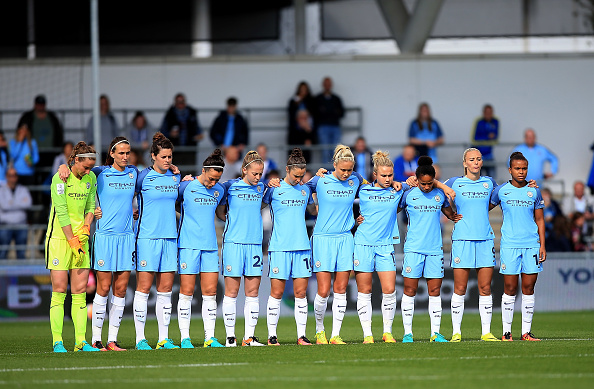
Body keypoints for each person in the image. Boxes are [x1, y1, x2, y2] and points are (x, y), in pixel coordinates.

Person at [58, 137, 138, 351]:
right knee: (102, 288)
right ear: (111, 153)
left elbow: (155, 180)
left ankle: (112, 340)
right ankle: (96, 340)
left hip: (126, 237)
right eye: (121, 153)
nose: (125, 156)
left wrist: (179, 173)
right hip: (104, 237)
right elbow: (78, 168)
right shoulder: (99, 173)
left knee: (120, 290)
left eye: (127, 152)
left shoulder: (135, 173)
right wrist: (62, 166)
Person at [305, 145, 376, 345]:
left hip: (346, 238)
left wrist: (401, 184)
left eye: (349, 170)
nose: (346, 174)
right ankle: (320, 332)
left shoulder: (356, 179)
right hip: (323, 239)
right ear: (334, 165)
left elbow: (374, 188)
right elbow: (298, 187)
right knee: (323, 290)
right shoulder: (320, 179)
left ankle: (335, 335)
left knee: (342, 288)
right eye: (342, 169)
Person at [443, 148, 501, 342]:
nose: (475, 162)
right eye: (471, 160)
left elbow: (500, 196)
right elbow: (436, 192)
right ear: (464, 163)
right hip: (462, 240)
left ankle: (486, 332)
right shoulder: (453, 183)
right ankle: (456, 332)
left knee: (485, 288)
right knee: (460, 287)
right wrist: (450, 214)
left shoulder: (489, 183)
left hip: (484, 240)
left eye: (478, 159)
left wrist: (530, 184)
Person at [45, 141, 98, 353]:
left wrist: (86, 227)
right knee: (59, 290)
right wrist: (71, 240)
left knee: (79, 293)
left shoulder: (91, 178)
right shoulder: (60, 178)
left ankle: (80, 342)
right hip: (60, 240)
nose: (88, 171)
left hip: (81, 241)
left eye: (91, 168)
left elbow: (91, 206)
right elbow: (62, 211)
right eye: (85, 167)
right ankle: (58, 341)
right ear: (76, 161)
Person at [399, 156, 458, 343]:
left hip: (434, 249)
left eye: (429, 183)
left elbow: (451, 214)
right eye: (423, 183)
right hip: (413, 248)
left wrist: (454, 209)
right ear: (416, 180)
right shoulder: (408, 194)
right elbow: (392, 209)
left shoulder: (439, 195)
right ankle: (408, 333)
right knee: (409, 290)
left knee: (435, 291)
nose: (426, 187)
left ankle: (435, 333)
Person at [263, 148, 318, 346]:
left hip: (302, 246)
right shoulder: (273, 189)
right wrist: (267, 182)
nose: (299, 179)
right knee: (276, 293)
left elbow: (315, 206)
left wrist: (319, 174)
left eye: (302, 175)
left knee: (301, 294)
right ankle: (272, 336)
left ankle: (302, 336)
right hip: (279, 248)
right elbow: (254, 203)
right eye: (296, 175)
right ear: (287, 170)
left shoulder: (306, 189)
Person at [353, 151, 409, 343]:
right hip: (363, 243)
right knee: (364, 291)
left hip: (385, 246)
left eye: (390, 175)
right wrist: (354, 220)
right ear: (375, 174)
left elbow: (422, 180)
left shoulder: (397, 190)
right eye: (383, 175)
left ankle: (387, 332)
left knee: (389, 289)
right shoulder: (363, 189)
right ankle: (367, 334)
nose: (387, 179)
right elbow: (344, 182)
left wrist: (399, 182)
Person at [490, 151, 546, 341]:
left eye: (524, 168)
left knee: (529, 287)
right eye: (517, 168)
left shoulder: (534, 191)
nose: (521, 172)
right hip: (510, 245)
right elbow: (484, 207)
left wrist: (542, 245)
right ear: (510, 169)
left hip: (531, 244)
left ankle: (526, 332)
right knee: (510, 287)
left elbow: (540, 219)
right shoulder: (501, 191)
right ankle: (507, 332)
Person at [133, 133, 181, 350]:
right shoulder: (142, 177)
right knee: (143, 288)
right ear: (153, 156)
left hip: (170, 238)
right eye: (163, 156)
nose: (168, 160)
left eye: (170, 156)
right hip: (147, 238)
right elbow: (123, 196)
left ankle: (163, 339)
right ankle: (140, 339)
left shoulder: (175, 178)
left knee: (165, 290)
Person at [175, 149, 227, 349]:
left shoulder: (219, 190)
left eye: (217, 179)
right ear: (203, 170)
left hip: (211, 247)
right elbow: (171, 204)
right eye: (211, 178)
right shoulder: (186, 186)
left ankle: (209, 337)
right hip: (188, 245)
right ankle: (185, 338)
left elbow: (221, 213)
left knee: (210, 293)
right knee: (187, 292)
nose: (213, 183)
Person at [219, 150, 267, 347]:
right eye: (254, 173)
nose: (258, 177)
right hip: (233, 244)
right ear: (245, 170)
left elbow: (265, 203)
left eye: (260, 174)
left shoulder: (262, 188)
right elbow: (220, 211)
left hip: (254, 244)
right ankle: (231, 337)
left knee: (253, 291)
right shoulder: (229, 187)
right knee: (231, 291)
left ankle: (249, 337)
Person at [0, 168, 33, 260]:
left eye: (15, 175)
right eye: (10, 175)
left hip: (21, 224)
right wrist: (20, 203)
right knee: (2, 254)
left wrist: (11, 203)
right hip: (5, 225)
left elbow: (28, 203)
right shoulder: (1, 190)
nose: (13, 178)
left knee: (21, 254)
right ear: (6, 177)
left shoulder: (23, 189)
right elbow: (4, 206)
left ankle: (22, 274)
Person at [315, 77, 345, 164]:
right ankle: (327, 174)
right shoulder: (318, 98)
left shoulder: (336, 99)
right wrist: (332, 111)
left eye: (329, 84)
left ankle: (334, 173)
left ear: (331, 85)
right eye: (326, 84)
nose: (327, 86)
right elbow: (316, 113)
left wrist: (326, 111)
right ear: (323, 85)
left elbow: (342, 113)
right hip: (323, 127)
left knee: (336, 150)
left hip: (335, 126)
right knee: (325, 150)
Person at [288, 81, 316, 161]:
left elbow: (314, 115)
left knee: (306, 156)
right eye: (301, 90)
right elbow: (291, 115)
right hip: (295, 134)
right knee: (295, 157)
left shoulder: (311, 101)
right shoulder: (293, 101)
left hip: (307, 134)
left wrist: (309, 137)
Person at [471, 104, 499, 179]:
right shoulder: (479, 122)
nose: (488, 115)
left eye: (490, 112)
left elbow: (495, 137)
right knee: (476, 178)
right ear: (483, 113)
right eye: (486, 112)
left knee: (492, 178)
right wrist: (487, 137)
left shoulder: (495, 122)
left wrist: (485, 137)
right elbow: (474, 138)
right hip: (478, 156)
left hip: (489, 155)